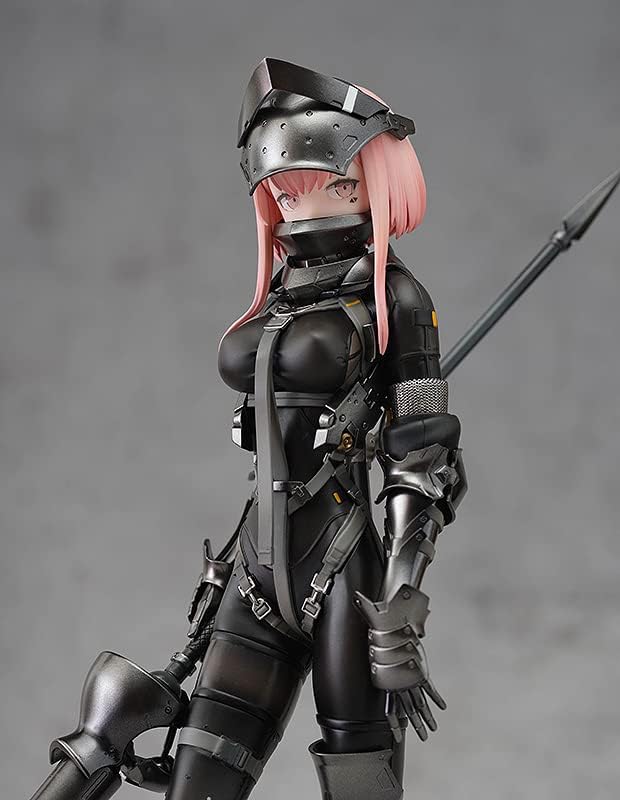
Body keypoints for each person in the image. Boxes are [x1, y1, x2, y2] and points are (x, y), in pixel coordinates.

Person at [163, 58, 468, 800]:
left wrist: (400, 599)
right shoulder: (280, 292)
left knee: (358, 774)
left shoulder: (397, 298)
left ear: (376, 180)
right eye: (285, 190)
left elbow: (424, 457)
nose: (302, 203)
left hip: (342, 568)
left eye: (330, 183)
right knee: (202, 768)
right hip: (254, 564)